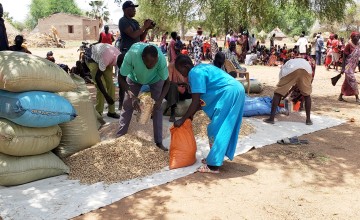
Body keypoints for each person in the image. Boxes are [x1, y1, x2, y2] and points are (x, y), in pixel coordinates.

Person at [173, 55, 245, 173]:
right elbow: (200, 102)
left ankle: (213, 166)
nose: (182, 75)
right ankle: (214, 158)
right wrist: (190, 116)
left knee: (217, 128)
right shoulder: (200, 68)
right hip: (235, 90)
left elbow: (195, 102)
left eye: (181, 71)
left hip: (230, 93)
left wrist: (182, 119)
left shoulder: (194, 73)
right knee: (219, 127)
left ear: (185, 66)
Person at [117, 43, 170, 151]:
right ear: (142, 58)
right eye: (148, 63)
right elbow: (121, 77)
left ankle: (159, 142)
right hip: (134, 79)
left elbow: (167, 82)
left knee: (157, 108)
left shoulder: (161, 60)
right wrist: (132, 96)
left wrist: (159, 100)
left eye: (154, 63)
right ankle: (119, 137)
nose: (151, 66)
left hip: (156, 80)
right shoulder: (132, 55)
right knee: (127, 105)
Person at [118, 0, 155, 110]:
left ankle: (133, 102)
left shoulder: (134, 22)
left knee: (135, 79)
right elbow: (133, 35)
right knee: (123, 79)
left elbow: (140, 38)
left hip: (136, 54)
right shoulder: (123, 21)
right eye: (132, 8)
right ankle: (122, 104)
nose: (134, 10)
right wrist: (144, 26)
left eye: (135, 8)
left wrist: (146, 29)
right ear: (125, 10)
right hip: (126, 53)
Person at [264, 58, 313, 125]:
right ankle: (308, 120)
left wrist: (281, 93)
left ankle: (271, 118)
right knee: (307, 95)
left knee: (277, 93)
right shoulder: (302, 61)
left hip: (292, 69)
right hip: (307, 70)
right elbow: (297, 83)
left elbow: (282, 80)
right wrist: (288, 91)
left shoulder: (286, 66)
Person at [86, 43, 121, 119]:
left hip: (104, 57)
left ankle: (111, 112)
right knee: (101, 86)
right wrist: (107, 96)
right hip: (92, 59)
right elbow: (98, 78)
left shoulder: (120, 56)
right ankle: (98, 112)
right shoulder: (107, 58)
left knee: (111, 84)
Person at [165, 32, 190, 122]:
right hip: (173, 92)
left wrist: (186, 85)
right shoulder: (171, 66)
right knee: (172, 87)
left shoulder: (187, 67)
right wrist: (181, 83)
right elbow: (169, 82)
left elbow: (190, 83)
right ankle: (172, 112)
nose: (178, 52)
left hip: (184, 92)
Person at [338, 32, 360, 104]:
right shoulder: (349, 45)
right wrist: (343, 68)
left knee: (347, 82)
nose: (357, 38)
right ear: (352, 37)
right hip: (348, 66)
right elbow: (344, 57)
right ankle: (357, 97)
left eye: (358, 36)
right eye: (355, 37)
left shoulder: (358, 45)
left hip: (353, 67)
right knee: (353, 80)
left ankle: (340, 96)